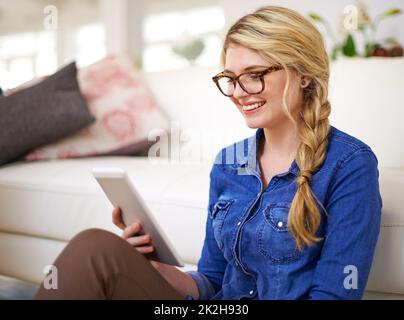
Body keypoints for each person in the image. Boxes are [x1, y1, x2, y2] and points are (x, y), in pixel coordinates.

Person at [35, 6, 382, 300]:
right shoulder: (229, 163)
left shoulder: (349, 165)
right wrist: (151, 268)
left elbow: (336, 293)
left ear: (304, 74)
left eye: (255, 75)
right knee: (97, 248)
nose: (240, 92)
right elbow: (211, 281)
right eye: (231, 78)